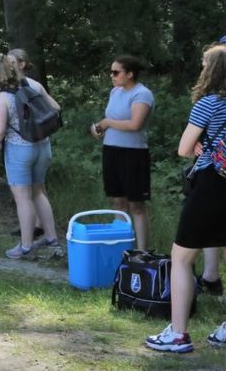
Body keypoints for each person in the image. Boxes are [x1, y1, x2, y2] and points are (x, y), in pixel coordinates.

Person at [145, 43, 226, 353]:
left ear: (212, 70)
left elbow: (183, 148)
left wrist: (200, 147)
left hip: (210, 185)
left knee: (181, 258)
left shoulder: (208, 103)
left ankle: (178, 335)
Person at [0, 53, 61, 258]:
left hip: (19, 149)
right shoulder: (34, 85)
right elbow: (56, 108)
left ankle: (26, 245)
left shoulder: (2, 97)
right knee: (39, 192)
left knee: (23, 198)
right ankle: (51, 238)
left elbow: (0, 131)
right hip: (43, 146)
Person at [90, 55, 154, 250]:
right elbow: (109, 119)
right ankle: (122, 246)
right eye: (111, 72)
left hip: (133, 154)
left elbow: (135, 124)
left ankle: (141, 252)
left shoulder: (142, 94)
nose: (112, 75)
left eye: (116, 72)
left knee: (136, 204)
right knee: (118, 201)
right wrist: (98, 129)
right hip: (111, 151)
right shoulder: (115, 92)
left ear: (130, 74)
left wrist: (107, 123)